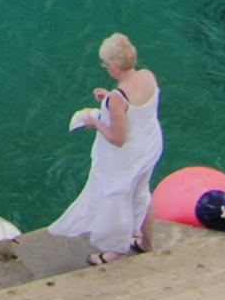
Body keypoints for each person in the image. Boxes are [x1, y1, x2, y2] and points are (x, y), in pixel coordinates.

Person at [51, 35, 162, 262]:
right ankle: (146, 242)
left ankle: (116, 250)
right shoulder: (147, 77)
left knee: (117, 201)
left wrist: (95, 122)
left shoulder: (117, 99)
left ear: (114, 67)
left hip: (127, 159)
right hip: (149, 147)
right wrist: (107, 101)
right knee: (142, 194)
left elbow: (117, 138)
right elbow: (136, 110)